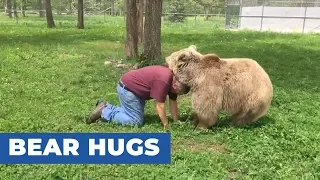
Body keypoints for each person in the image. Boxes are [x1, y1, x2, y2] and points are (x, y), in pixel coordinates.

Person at [87, 64, 190, 129]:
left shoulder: (173, 81)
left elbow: (173, 103)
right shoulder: (164, 80)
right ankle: (104, 112)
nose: (177, 95)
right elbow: (160, 106)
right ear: (175, 85)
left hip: (135, 91)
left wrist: (176, 122)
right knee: (135, 121)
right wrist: (166, 125)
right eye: (179, 93)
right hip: (128, 89)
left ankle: (106, 106)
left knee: (130, 114)